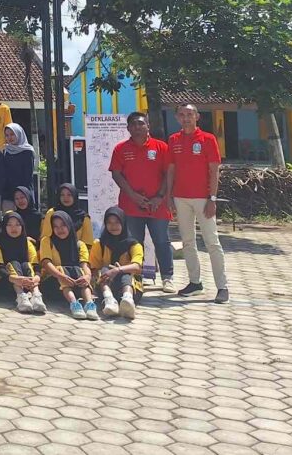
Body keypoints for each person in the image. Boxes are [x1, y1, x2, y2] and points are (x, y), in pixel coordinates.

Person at [109, 111, 175, 293]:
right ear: (128, 128)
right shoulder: (120, 149)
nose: (137, 127)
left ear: (148, 126)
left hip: (158, 206)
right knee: (134, 243)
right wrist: (133, 196)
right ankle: (135, 278)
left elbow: (168, 174)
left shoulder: (161, 147)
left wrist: (159, 197)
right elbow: (116, 174)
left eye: (141, 123)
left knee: (161, 241)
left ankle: (167, 278)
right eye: (133, 124)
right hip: (131, 206)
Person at [167, 104, 227, 302]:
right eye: (182, 115)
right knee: (187, 242)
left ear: (197, 117)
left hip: (204, 198)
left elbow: (214, 171)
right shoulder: (173, 140)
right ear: (177, 118)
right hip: (180, 197)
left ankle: (222, 287)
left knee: (212, 242)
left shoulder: (208, 139)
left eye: (190, 114)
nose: (186, 118)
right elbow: (171, 170)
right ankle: (195, 283)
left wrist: (212, 199)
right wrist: (169, 196)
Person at [39, 210, 98, 320]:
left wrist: (87, 276)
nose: (60, 229)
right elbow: (46, 263)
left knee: (78, 270)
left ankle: (90, 304)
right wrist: (61, 276)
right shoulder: (47, 241)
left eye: (63, 225)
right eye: (56, 226)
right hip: (53, 283)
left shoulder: (79, 244)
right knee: (61, 269)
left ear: (69, 225)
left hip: (76, 283)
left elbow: (84, 265)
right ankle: (74, 304)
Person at [91, 207, 143, 319]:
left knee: (126, 272)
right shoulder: (99, 244)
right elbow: (94, 268)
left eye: (117, 222)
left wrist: (118, 270)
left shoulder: (134, 245)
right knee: (104, 269)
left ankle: (128, 300)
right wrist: (108, 271)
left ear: (123, 223)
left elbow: (137, 267)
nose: (113, 226)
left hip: (131, 287)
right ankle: (109, 300)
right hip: (105, 287)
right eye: (109, 223)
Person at [0, 211, 45, 314]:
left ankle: (36, 295)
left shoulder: (26, 242)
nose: (13, 228)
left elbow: (35, 263)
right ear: (4, 226)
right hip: (5, 281)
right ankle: (20, 296)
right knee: (14, 263)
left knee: (26, 264)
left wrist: (37, 277)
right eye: (9, 225)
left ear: (22, 226)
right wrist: (15, 279)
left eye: (17, 224)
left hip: (27, 282)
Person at [0, 124, 37, 209]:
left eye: (12, 134)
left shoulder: (28, 151)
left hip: (24, 194)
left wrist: (22, 193)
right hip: (8, 194)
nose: (10, 138)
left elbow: (28, 176)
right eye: (7, 135)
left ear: (19, 133)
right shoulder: (6, 150)